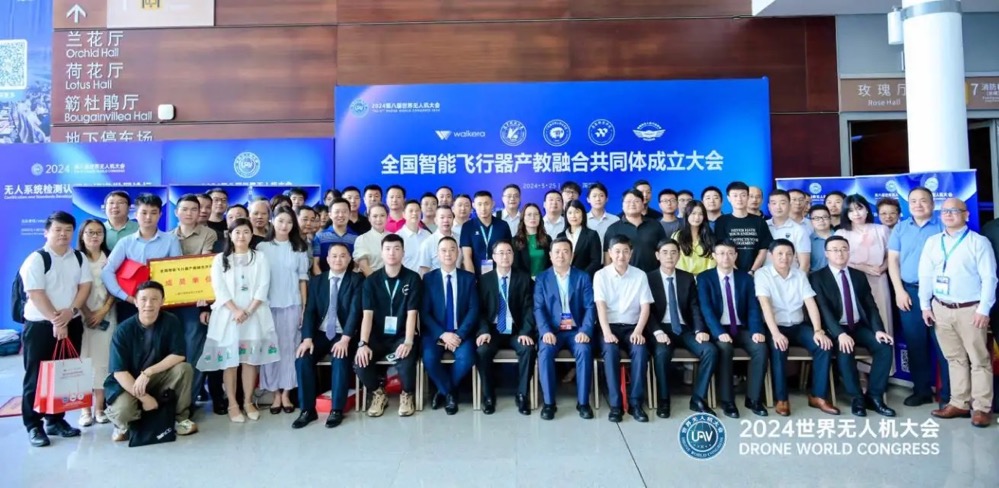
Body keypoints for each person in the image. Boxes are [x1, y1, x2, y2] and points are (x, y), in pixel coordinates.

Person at [920, 198, 997, 428]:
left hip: (970, 310)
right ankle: (959, 403)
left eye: (954, 210)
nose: (948, 214)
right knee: (954, 358)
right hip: (941, 308)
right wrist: (925, 305)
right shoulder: (933, 242)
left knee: (979, 360)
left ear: (966, 215)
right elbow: (925, 274)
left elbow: (989, 278)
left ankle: (982, 407)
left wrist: (984, 309)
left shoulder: (978, 242)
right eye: (945, 211)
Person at [20, 211, 92, 447]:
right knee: (36, 377)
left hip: (72, 322)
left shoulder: (78, 257)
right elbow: (35, 293)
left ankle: (56, 420)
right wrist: (57, 320)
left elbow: (85, 286)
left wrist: (72, 311)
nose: (63, 234)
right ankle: (33, 425)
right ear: (46, 232)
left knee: (63, 374)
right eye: (58, 230)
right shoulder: (37, 259)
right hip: (40, 326)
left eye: (68, 230)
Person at [197, 218, 279, 423]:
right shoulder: (220, 259)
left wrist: (247, 312)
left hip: (254, 315)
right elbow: (219, 289)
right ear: (230, 235)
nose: (241, 236)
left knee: (250, 360)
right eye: (237, 232)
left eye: (246, 232)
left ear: (251, 235)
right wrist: (235, 311)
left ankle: (248, 401)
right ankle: (233, 404)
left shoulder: (260, 257)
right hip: (228, 316)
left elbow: (263, 286)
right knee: (230, 362)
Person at [810, 236, 897, 418]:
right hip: (835, 329)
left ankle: (874, 396)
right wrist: (839, 334)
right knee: (845, 349)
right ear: (826, 254)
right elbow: (823, 309)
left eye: (844, 249)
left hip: (858, 326)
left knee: (884, 346)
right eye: (834, 250)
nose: (840, 253)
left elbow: (870, 305)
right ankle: (857, 398)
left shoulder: (858, 275)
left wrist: (878, 330)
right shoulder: (817, 277)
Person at [104, 281, 198, 441]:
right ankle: (123, 424)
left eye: (154, 299)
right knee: (123, 412)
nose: (149, 304)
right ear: (135, 301)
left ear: (162, 301)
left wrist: (148, 372)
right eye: (143, 299)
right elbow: (119, 372)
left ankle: (180, 418)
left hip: (155, 378)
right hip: (129, 383)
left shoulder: (171, 321)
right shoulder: (123, 330)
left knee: (184, 369)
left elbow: (179, 355)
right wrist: (145, 398)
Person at [755, 239, 837, 417]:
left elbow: (810, 303)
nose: (784, 257)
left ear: (794, 256)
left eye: (789, 254)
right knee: (779, 348)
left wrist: (818, 330)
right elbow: (765, 305)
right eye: (780, 253)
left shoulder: (799, 275)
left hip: (798, 325)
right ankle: (782, 399)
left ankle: (818, 396)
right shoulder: (762, 274)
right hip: (775, 327)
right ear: (771, 256)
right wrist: (775, 334)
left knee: (823, 346)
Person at [887, 187, 949, 407]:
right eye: (913, 201)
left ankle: (949, 396)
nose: (918, 205)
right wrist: (899, 291)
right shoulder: (901, 228)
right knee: (916, 344)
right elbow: (893, 261)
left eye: (923, 201)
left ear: (932, 203)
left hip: (940, 294)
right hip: (910, 293)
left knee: (945, 345)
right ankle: (921, 391)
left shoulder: (944, 225)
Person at [293, 243, 364, 429]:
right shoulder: (318, 281)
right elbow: (310, 311)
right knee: (302, 358)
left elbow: (355, 312)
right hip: (321, 333)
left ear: (349, 259)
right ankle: (307, 410)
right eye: (334, 256)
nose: (338, 259)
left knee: (340, 358)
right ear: (327, 259)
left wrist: (346, 339)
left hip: (344, 334)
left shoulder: (356, 280)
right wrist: (307, 338)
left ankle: (336, 409)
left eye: (342, 256)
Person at [647, 238, 717, 418]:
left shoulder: (687, 278)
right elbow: (647, 311)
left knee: (710, 350)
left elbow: (694, 307)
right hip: (661, 328)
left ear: (679, 256)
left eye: (673, 252)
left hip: (685, 328)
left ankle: (698, 398)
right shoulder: (648, 278)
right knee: (661, 353)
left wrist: (699, 329)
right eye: (665, 253)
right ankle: (664, 400)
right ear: (657, 255)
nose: (669, 256)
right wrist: (657, 331)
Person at [698, 240, 768, 418]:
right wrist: (719, 332)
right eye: (721, 253)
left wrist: (756, 330)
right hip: (718, 328)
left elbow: (753, 307)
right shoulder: (705, 278)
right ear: (714, 256)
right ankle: (727, 401)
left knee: (760, 348)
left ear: (736, 255)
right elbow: (706, 309)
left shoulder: (745, 278)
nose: (726, 257)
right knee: (725, 349)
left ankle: (753, 399)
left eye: (730, 253)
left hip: (741, 327)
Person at [355, 234, 421, 417]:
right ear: (382, 253)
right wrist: (363, 343)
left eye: (397, 249)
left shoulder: (413, 278)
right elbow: (367, 315)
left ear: (403, 253)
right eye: (388, 249)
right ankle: (378, 393)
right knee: (360, 362)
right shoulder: (371, 281)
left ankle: (407, 394)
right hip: (377, 336)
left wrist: (408, 341)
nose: (392, 253)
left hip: (402, 335)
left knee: (406, 361)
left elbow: (412, 313)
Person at [534, 237, 596, 420]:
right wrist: (545, 331)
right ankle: (549, 403)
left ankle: (583, 403)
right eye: (557, 252)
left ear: (572, 255)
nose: (561, 255)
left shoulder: (583, 277)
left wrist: (585, 331)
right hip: (552, 331)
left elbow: (590, 307)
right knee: (545, 352)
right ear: (550, 255)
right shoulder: (542, 278)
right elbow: (538, 308)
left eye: (565, 251)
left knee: (584, 350)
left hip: (576, 330)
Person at [593, 235, 653, 423]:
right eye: (617, 251)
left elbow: (645, 307)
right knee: (610, 351)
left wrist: (638, 331)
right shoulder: (600, 275)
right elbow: (600, 306)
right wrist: (606, 332)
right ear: (610, 253)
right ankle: (615, 405)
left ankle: (636, 404)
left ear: (631, 253)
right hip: (609, 326)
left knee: (641, 351)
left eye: (625, 251)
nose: (621, 256)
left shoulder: (640, 275)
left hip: (632, 327)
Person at [475, 240, 536, 415]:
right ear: (493, 257)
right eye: (500, 253)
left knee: (528, 349)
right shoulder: (484, 280)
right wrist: (484, 331)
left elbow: (529, 308)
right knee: (482, 351)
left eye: (508, 252)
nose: (505, 256)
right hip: (493, 330)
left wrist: (525, 331)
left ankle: (522, 395)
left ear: (513, 255)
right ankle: (488, 396)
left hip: (516, 330)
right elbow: (479, 310)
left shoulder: (523, 278)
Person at [258, 207, 310, 415]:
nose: (284, 225)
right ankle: (275, 394)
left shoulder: (299, 247)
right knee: (271, 349)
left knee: (290, 349)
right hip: (268, 306)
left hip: (292, 304)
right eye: (280, 221)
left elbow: (303, 279)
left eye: (289, 222)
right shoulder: (262, 248)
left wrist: (304, 307)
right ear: (272, 221)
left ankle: (287, 393)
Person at [421, 237, 479, 415]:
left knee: (467, 358)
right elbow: (424, 313)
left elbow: (473, 310)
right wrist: (442, 334)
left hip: (461, 332)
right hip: (436, 333)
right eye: (444, 250)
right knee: (429, 359)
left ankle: (443, 391)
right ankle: (450, 393)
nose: (448, 254)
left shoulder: (468, 278)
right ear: (437, 254)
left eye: (452, 249)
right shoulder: (428, 279)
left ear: (458, 253)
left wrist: (459, 334)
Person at [102, 193, 182, 323]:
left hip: (161, 303)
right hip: (131, 303)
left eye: (153, 213)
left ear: (160, 215)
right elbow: (107, 271)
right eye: (144, 213)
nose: (148, 217)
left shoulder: (171, 240)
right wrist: (125, 296)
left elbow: (177, 271)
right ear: (136, 215)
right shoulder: (126, 242)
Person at [170, 194, 218, 409]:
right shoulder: (168, 237)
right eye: (184, 209)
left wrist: (206, 305)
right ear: (176, 212)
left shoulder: (208, 234)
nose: (189, 213)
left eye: (193, 209)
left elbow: (205, 267)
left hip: (195, 303)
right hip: (171, 303)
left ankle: (189, 400)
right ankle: (173, 399)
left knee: (194, 350)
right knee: (174, 351)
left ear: (200, 212)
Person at [835, 194, 893, 342]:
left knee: (883, 317)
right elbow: (837, 260)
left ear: (867, 209)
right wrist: (860, 267)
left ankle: (886, 353)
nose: (856, 213)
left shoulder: (882, 230)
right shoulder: (841, 233)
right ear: (846, 214)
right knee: (857, 318)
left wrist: (883, 267)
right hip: (852, 281)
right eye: (851, 210)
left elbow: (892, 256)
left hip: (878, 279)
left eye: (859, 208)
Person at [76, 219, 117, 428]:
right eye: (90, 232)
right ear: (82, 235)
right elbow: (73, 288)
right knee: (83, 363)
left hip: (107, 316)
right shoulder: (75, 258)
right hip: (80, 317)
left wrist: (103, 311)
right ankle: (84, 410)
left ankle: (100, 408)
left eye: (99, 232)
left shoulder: (110, 257)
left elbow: (116, 286)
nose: (94, 236)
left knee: (102, 362)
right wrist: (86, 312)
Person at [714, 181, 771, 274]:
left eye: (743, 195)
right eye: (735, 196)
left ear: (748, 197)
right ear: (728, 198)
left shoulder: (759, 221)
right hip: (730, 272)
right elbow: (721, 248)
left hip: (756, 273)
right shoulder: (722, 221)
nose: (739, 199)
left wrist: (752, 271)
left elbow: (763, 249)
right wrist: (736, 272)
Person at [604, 189, 666, 272]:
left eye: (636, 201)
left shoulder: (655, 225)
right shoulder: (613, 229)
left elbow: (664, 249)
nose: (632, 204)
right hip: (623, 276)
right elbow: (607, 256)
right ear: (622, 205)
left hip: (652, 274)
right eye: (628, 201)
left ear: (643, 204)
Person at [460, 190, 512, 276]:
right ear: (474, 205)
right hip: (476, 276)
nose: (483, 208)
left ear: (493, 204)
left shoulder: (503, 225)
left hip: (499, 276)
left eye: (486, 204)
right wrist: (472, 279)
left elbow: (509, 253)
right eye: (479, 204)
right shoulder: (468, 226)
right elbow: (467, 257)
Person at [767, 189, 810, 271]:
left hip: (791, 277)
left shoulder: (799, 230)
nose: (778, 207)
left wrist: (799, 279)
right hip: (765, 277)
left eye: (782, 203)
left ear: (790, 205)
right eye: (774, 203)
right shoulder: (762, 226)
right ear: (769, 207)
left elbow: (805, 264)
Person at [558, 200, 603, 278]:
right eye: (570, 213)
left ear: (583, 214)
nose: (573, 216)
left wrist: (581, 277)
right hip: (563, 279)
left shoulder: (592, 235)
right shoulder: (560, 236)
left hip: (584, 279)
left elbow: (595, 261)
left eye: (577, 212)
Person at [312, 198, 357, 275]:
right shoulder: (320, 237)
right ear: (330, 215)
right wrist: (323, 280)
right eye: (337, 212)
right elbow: (315, 264)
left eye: (344, 212)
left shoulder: (356, 238)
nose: (341, 215)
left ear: (349, 214)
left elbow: (356, 266)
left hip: (349, 280)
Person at [674, 200, 716, 275]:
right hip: (683, 278)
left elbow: (712, 262)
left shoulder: (709, 236)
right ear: (687, 215)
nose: (697, 217)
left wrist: (704, 278)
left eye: (700, 214)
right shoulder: (677, 236)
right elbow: (676, 261)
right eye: (693, 213)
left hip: (705, 278)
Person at [513, 203, 553, 279]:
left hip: (544, 281)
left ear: (540, 217)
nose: (533, 217)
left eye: (536, 214)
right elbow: (515, 267)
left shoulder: (547, 239)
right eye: (529, 215)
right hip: (524, 282)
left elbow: (550, 264)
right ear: (523, 218)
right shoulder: (516, 241)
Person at [418, 205, 459, 275]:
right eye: (442, 217)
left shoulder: (459, 238)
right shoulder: (428, 243)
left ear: (453, 219)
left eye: (449, 217)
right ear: (436, 220)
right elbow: (424, 270)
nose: (446, 220)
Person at [353, 204, 389, 276]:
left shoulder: (394, 237)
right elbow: (364, 266)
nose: (379, 219)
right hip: (370, 279)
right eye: (375, 216)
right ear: (369, 218)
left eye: (382, 215)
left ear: (387, 217)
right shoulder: (362, 239)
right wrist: (377, 282)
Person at [397, 199, 432, 271]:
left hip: (426, 277)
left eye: (417, 211)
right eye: (411, 211)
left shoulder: (428, 235)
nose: (414, 213)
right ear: (403, 214)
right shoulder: (398, 237)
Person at [586, 182, 619, 247]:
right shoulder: (583, 219)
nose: (598, 199)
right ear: (588, 199)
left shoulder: (615, 220)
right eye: (594, 196)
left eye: (601, 196)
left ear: (606, 199)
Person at [808, 205, 833, 271]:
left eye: (825, 217)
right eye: (816, 218)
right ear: (811, 221)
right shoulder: (807, 241)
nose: (821, 220)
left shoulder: (840, 235)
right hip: (816, 275)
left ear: (830, 219)